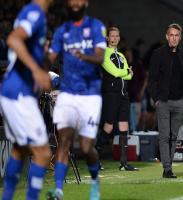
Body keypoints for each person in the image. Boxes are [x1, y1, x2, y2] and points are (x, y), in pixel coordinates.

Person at [46, 0, 107, 199]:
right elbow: (50, 58)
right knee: (64, 140)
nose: (75, 3)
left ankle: (95, 180)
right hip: (68, 93)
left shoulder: (96, 27)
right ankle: (58, 190)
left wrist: (84, 56)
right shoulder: (61, 31)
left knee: (86, 147)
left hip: (89, 94)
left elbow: (100, 57)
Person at [0, 0, 53, 199]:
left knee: (20, 150)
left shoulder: (30, 13)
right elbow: (14, 39)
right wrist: (37, 71)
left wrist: (43, 59)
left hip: (12, 91)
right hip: (19, 92)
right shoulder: (35, 13)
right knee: (43, 154)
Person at [148, 23, 183, 178]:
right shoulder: (158, 54)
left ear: (180, 37)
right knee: (164, 136)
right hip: (163, 102)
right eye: (171, 35)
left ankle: (169, 166)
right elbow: (152, 79)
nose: (174, 38)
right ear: (166, 37)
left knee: (173, 136)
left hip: (179, 102)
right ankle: (167, 168)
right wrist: (156, 99)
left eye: (176, 35)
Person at [95, 26, 138, 171]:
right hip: (111, 94)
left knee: (124, 127)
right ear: (107, 38)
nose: (114, 38)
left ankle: (124, 163)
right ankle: (94, 157)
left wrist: (125, 73)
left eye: (117, 36)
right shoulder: (104, 54)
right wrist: (126, 71)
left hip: (123, 95)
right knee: (108, 127)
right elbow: (114, 72)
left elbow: (130, 76)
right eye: (112, 36)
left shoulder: (121, 56)